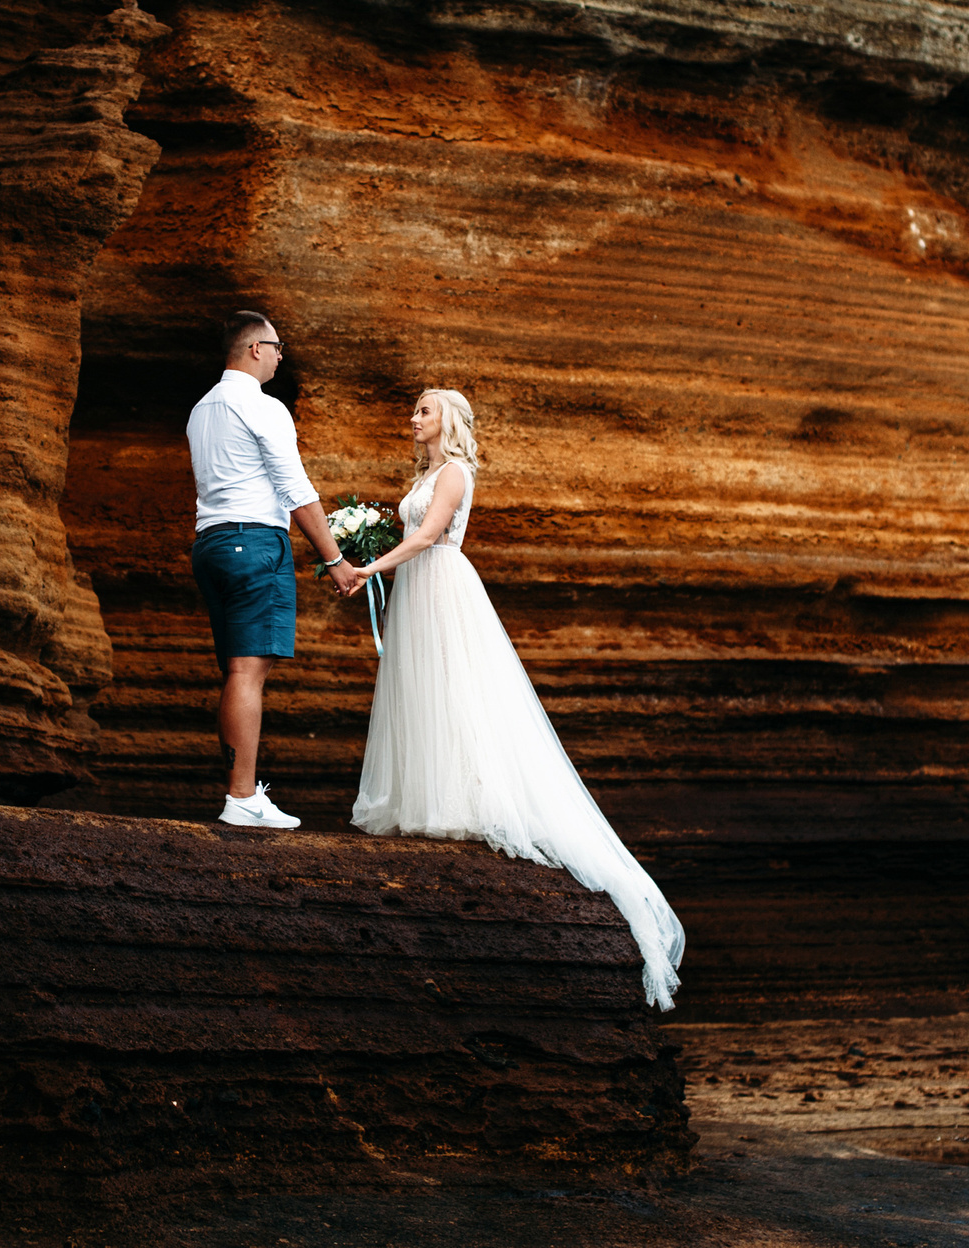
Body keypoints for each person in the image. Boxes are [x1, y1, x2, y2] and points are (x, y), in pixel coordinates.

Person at [344, 389, 685, 1010]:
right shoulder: (425, 472)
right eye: (414, 410)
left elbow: (427, 536)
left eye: (423, 410)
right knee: (422, 691)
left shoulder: (454, 471)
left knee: (456, 688)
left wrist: (370, 568)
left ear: (447, 419)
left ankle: (464, 798)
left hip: (441, 580)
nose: (412, 418)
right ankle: (428, 793)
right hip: (418, 589)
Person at [187, 311, 362, 828]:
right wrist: (334, 560)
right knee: (248, 671)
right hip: (254, 543)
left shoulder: (201, 409)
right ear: (255, 349)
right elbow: (296, 490)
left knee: (237, 670)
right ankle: (241, 797)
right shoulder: (262, 406)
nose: (282, 355)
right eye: (278, 346)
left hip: (211, 543)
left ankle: (240, 791)